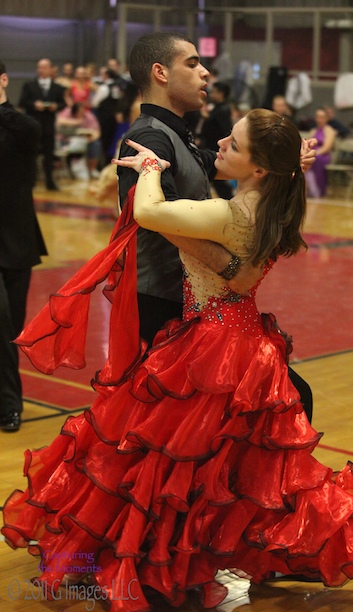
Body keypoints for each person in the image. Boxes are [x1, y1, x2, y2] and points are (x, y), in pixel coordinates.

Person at [2, 109, 353, 612]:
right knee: (268, 477)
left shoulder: (230, 213)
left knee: (203, 469)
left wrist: (152, 170)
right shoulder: (273, 203)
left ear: (260, 168)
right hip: (242, 343)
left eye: (235, 143)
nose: (220, 142)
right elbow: (233, 270)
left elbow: (148, 214)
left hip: (216, 351)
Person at [117, 32, 316, 421]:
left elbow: (217, 162)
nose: (205, 71)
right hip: (166, 299)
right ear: (160, 73)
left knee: (216, 421)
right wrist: (234, 271)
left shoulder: (174, 133)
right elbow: (160, 220)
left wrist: (283, 161)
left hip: (199, 306)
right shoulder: (148, 138)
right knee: (185, 426)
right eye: (191, 64)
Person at [0, 60, 47, 432]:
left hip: (15, 241)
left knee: (11, 326)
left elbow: (34, 133)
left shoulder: (20, 126)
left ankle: (7, 401)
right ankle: (9, 404)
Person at [18, 58, 66, 191]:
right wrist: (34, 105)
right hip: (33, 124)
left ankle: (50, 181)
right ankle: (30, 181)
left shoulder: (57, 87)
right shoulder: (29, 85)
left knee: (49, 154)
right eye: (39, 67)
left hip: (49, 125)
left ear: (51, 69)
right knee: (31, 153)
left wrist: (55, 106)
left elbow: (63, 104)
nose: (41, 70)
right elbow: (22, 102)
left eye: (44, 67)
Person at [200, 81, 234, 199]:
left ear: (221, 93)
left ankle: (229, 200)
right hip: (210, 145)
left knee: (219, 181)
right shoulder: (217, 107)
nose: (212, 94)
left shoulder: (224, 109)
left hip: (216, 148)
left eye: (214, 92)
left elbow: (225, 129)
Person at [56, 101, 102, 179]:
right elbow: (59, 121)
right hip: (66, 140)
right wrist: (76, 122)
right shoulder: (67, 112)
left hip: (84, 141)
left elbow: (97, 132)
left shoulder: (89, 116)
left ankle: (92, 169)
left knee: (96, 144)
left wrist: (90, 139)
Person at [304, 107, 336, 198]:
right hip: (314, 153)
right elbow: (309, 144)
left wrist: (315, 153)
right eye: (318, 117)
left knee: (315, 159)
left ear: (326, 118)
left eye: (322, 117)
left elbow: (327, 147)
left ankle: (317, 190)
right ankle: (307, 188)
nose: (319, 119)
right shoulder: (313, 131)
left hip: (323, 156)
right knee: (304, 159)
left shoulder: (329, 131)